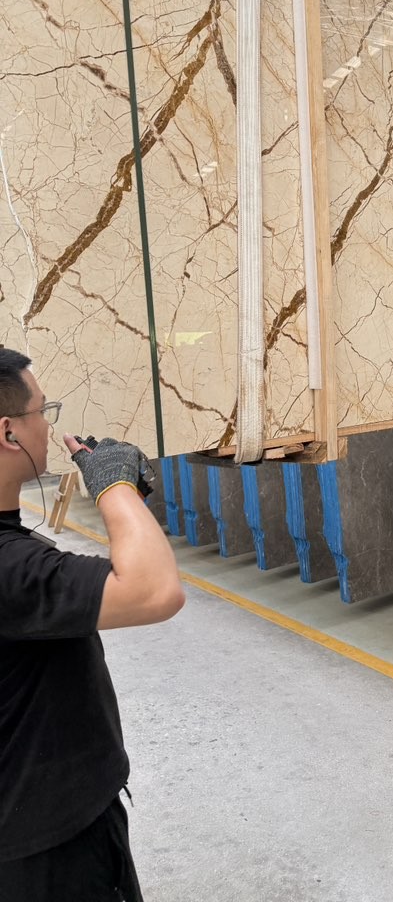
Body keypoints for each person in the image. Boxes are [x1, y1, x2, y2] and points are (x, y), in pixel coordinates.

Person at [0, 349, 186, 900]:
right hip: (49, 850)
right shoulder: (9, 565)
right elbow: (154, 591)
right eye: (42, 411)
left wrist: (128, 510)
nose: (48, 425)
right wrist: (113, 487)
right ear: (9, 432)